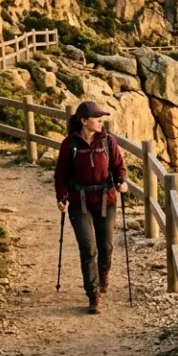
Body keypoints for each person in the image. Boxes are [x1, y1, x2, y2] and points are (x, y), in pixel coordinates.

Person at [54, 101, 127, 314]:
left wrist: (121, 180)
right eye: (97, 118)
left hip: (106, 200)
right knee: (88, 248)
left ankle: (103, 273)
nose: (101, 122)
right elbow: (61, 175)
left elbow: (118, 166)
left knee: (106, 247)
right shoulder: (69, 144)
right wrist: (62, 197)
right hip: (79, 203)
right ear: (84, 121)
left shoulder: (107, 141)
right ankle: (93, 294)